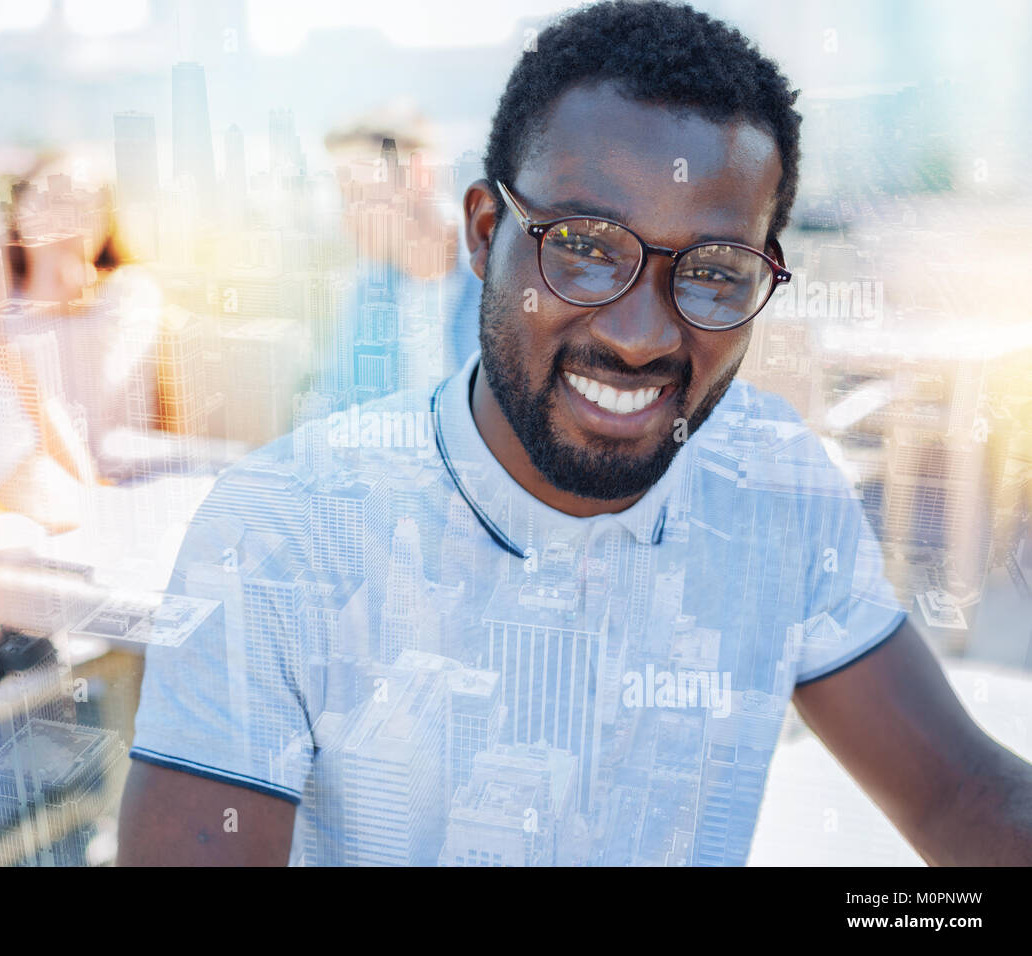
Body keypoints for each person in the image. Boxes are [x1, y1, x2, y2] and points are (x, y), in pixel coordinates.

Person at [117, 0, 1032, 866]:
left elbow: (958, 798)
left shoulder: (773, 479)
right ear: (484, 234)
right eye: (585, 247)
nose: (640, 335)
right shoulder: (281, 528)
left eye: (714, 270)